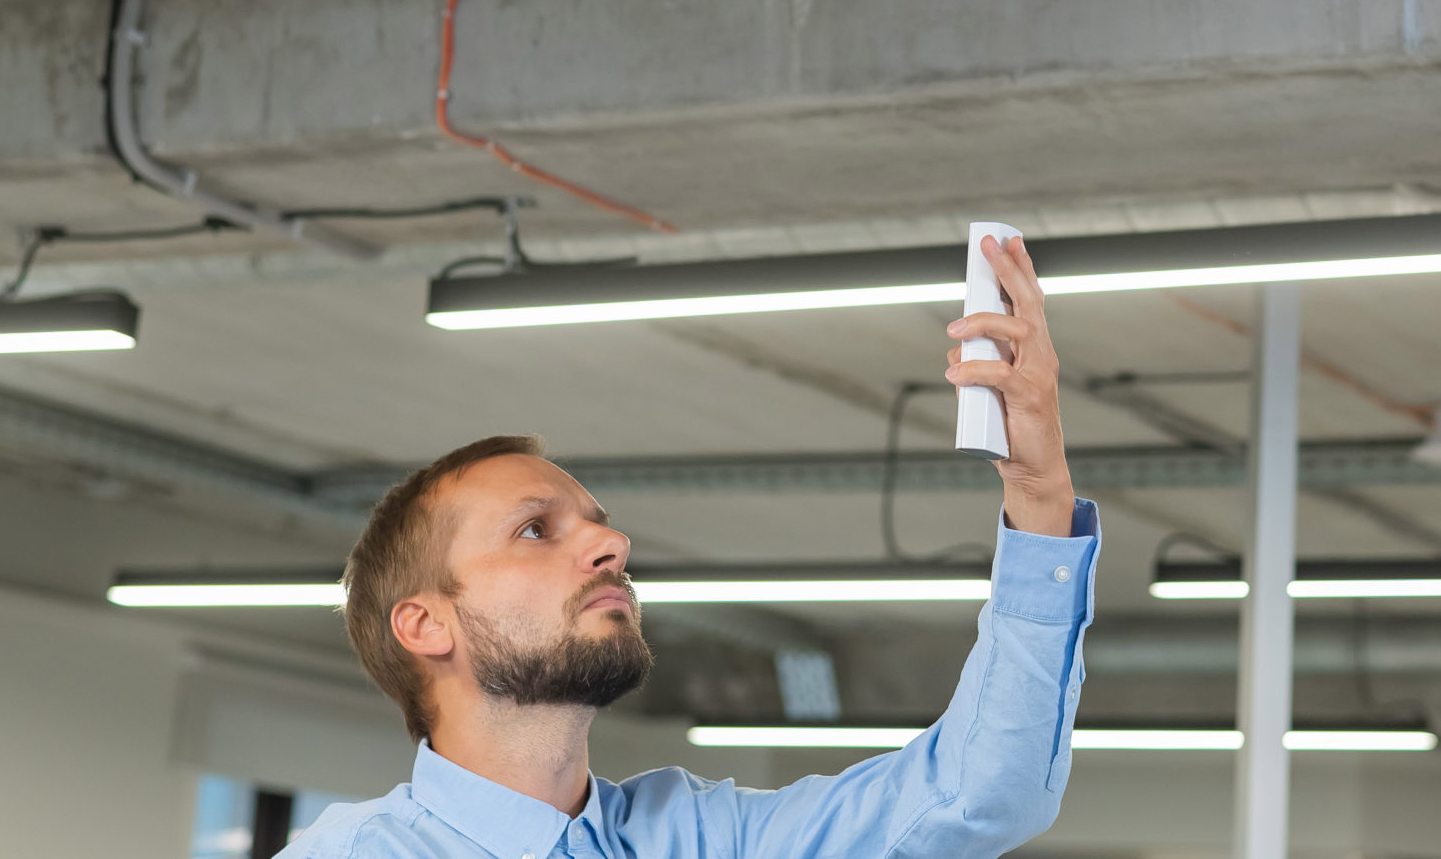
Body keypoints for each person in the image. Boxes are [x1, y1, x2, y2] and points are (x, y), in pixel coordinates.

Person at [289, 235, 1096, 859]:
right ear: (426, 625)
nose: (611, 542)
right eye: (537, 529)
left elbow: (977, 794)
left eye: (597, 520)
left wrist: (1040, 494)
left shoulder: (707, 836)